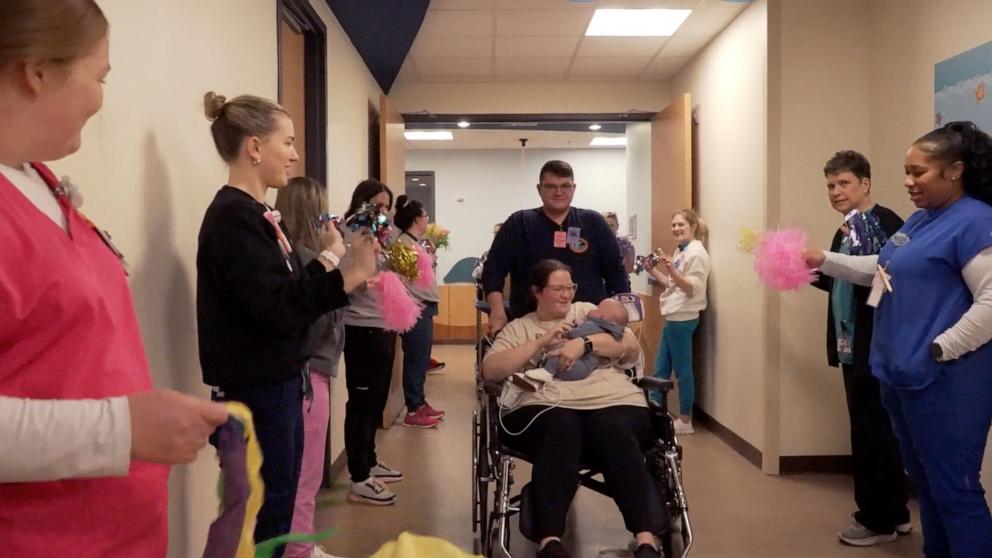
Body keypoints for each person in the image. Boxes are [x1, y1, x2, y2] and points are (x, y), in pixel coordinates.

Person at [0, 2, 228, 555]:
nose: (102, 100)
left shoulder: (41, 181)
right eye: (98, 77)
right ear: (38, 72)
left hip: (118, 533)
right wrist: (121, 428)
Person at [197, 93, 377, 557]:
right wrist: (341, 269)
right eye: (289, 142)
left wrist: (343, 272)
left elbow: (290, 292)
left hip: (278, 382)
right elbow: (280, 309)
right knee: (260, 512)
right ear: (255, 147)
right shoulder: (234, 217)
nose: (295, 155)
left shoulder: (258, 216)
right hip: (257, 388)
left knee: (274, 509)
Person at [804, 121, 992, 558]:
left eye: (918, 172)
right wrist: (825, 259)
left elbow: (990, 302)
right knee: (926, 488)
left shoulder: (976, 222)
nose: (908, 182)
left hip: (945, 382)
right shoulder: (924, 220)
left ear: (955, 170)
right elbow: (883, 269)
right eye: (906, 172)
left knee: (956, 491)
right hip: (901, 377)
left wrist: (941, 348)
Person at [482, 259, 663, 558]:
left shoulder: (588, 311)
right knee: (560, 428)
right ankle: (549, 540)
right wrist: (540, 342)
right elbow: (491, 370)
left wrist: (585, 344)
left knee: (613, 428)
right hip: (548, 404)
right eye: (558, 288)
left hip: (613, 400)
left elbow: (629, 345)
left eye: (570, 287)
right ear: (537, 291)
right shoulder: (520, 328)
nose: (567, 294)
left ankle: (645, 539)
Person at [811, 151, 910, 546]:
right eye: (831, 185)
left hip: (876, 345)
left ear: (865, 183)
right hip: (853, 345)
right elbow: (842, 279)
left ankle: (877, 520)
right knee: (874, 429)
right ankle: (896, 512)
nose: (836, 192)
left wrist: (825, 261)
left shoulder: (884, 223)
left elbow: (885, 275)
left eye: (844, 183)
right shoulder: (847, 229)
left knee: (873, 432)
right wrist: (802, 269)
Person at [274, 177, 347, 558]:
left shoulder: (298, 257)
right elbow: (309, 321)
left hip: (314, 373)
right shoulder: (304, 261)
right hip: (308, 375)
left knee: (302, 473)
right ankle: (299, 551)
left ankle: (301, 544)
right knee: (304, 475)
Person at [482, 160, 630, 334]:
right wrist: (497, 312)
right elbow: (493, 270)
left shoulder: (593, 222)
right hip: (530, 326)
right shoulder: (519, 223)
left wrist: (623, 314)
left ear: (574, 188)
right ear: (539, 189)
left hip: (587, 326)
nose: (559, 192)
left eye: (565, 186)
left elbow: (616, 272)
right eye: (551, 186)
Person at [341, 179, 405, 505]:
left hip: (382, 324)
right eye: (377, 206)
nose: (383, 213)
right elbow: (346, 281)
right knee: (362, 403)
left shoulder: (377, 235)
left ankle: (369, 459)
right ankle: (359, 476)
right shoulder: (350, 233)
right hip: (361, 327)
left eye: (386, 208)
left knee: (377, 398)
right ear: (361, 202)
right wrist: (376, 281)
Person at [644, 209, 710, 435]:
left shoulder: (697, 254)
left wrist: (672, 267)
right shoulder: (682, 251)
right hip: (673, 316)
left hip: (683, 318)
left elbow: (691, 289)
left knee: (682, 370)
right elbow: (673, 285)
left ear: (693, 226)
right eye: (673, 225)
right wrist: (653, 270)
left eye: (681, 224)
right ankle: (655, 414)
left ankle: (685, 419)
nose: (676, 229)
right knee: (661, 367)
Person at [392, 195, 446, 428]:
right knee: (415, 359)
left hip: (424, 305)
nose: (427, 220)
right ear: (416, 219)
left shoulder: (414, 243)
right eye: (425, 216)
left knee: (421, 358)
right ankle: (413, 408)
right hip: (417, 307)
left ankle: (420, 402)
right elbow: (407, 281)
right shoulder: (404, 244)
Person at [541, 298, 629, 381]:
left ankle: (546, 372)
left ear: (602, 317)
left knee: (556, 362)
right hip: (589, 366)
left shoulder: (592, 323)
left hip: (581, 363)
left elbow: (577, 333)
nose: (592, 309)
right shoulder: (612, 331)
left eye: (596, 309)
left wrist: (567, 333)